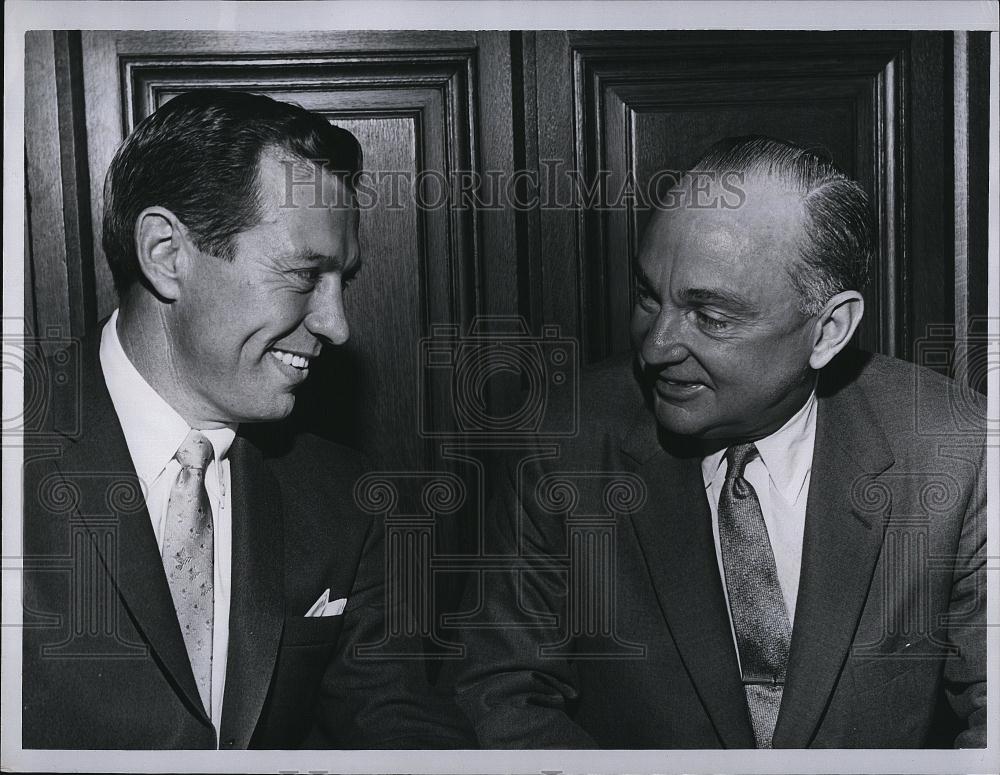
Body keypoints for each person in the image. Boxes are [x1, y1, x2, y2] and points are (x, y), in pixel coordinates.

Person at [448, 136, 986, 748]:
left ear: (829, 329)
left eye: (713, 317)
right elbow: (501, 694)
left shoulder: (956, 446)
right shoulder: (561, 443)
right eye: (650, 297)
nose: (655, 347)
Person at [22, 90, 467, 750]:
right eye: (302, 274)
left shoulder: (342, 495)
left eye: (342, 280)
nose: (337, 324)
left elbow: (396, 718)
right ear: (166, 252)